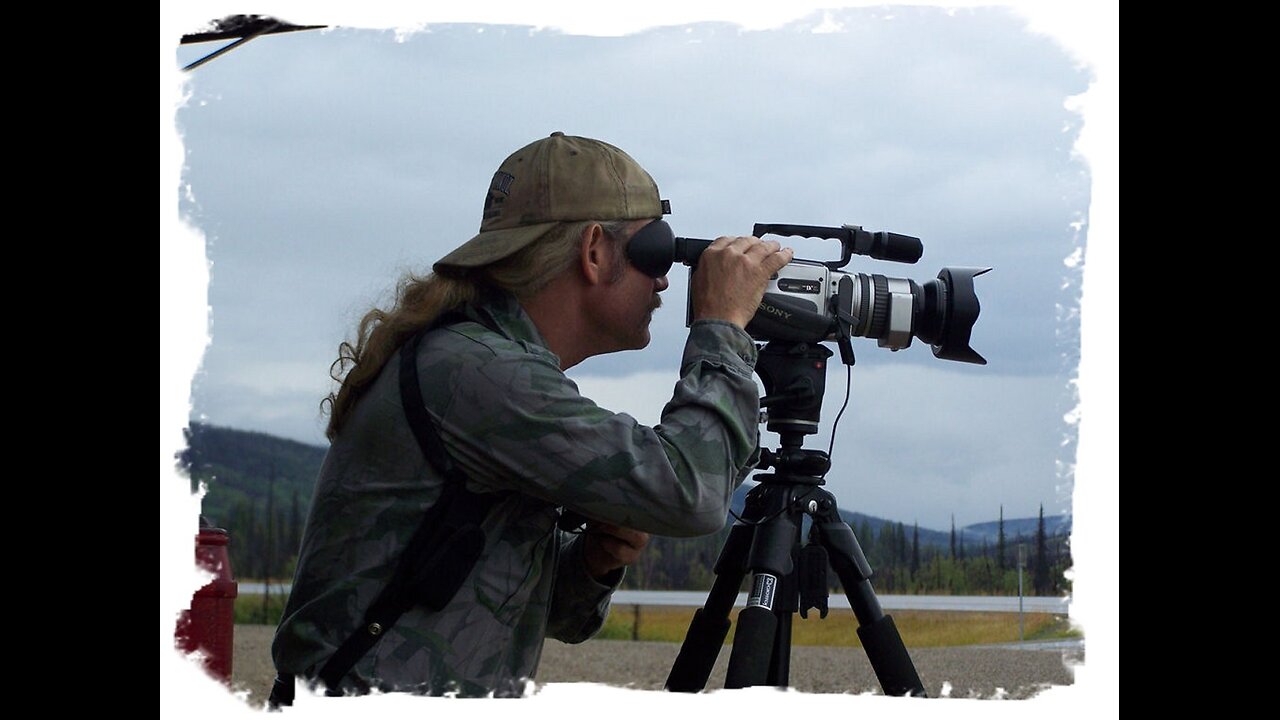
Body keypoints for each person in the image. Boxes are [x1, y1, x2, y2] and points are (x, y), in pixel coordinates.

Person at [270, 132, 793, 698]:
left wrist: (590, 563)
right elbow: (691, 492)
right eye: (654, 252)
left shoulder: (482, 363)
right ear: (594, 251)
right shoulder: (480, 373)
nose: (666, 278)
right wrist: (722, 327)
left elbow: (518, 609)